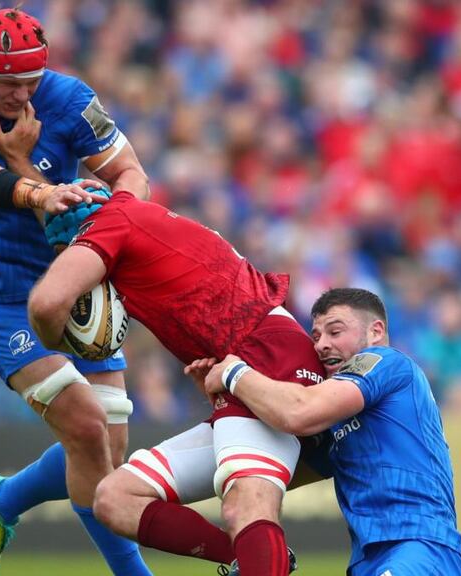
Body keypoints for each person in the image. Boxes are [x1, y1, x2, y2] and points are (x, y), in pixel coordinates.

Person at [0, 7, 151, 576]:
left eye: (31, 83)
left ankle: (2, 500)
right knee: (89, 430)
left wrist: (114, 219)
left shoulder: (67, 98)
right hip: (2, 301)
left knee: (109, 452)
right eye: (10, 85)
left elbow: (132, 173)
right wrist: (38, 193)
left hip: (77, 292)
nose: (23, 96)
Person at [27, 191, 324, 575]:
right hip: (248, 362)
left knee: (245, 505)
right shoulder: (140, 216)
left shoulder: (107, 223)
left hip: (265, 353)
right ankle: (255, 561)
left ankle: (262, 562)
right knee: (114, 499)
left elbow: (46, 304)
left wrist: (57, 340)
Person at [189, 288, 461, 576]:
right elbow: (262, 474)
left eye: (335, 332)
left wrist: (235, 373)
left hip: (420, 547)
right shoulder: (338, 428)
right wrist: (227, 403)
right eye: (316, 337)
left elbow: (298, 411)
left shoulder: (386, 362)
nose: (321, 345)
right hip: (369, 561)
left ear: (376, 331)